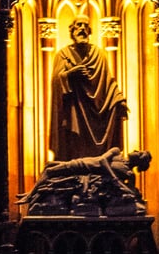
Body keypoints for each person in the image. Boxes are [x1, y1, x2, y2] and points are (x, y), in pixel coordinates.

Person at [49, 18, 127, 162]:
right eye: (78, 25)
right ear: (72, 31)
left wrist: (118, 99)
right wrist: (71, 73)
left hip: (97, 112)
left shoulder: (99, 55)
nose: (82, 29)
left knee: (113, 110)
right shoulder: (63, 55)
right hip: (74, 111)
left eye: (86, 26)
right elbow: (56, 81)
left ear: (90, 31)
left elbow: (108, 82)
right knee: (74, 142)